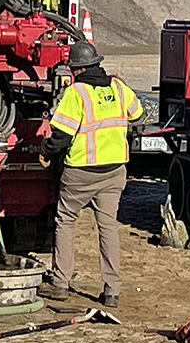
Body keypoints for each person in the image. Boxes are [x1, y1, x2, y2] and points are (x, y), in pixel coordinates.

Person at [42, 41, 140, 306]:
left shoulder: (77, 93)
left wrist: (46, 149)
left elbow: (61, 135)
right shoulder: (119, 88)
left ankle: (60, 283)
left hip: (81, 172)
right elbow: (138, 114)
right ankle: (112, 291)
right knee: (108, 227)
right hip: (115, 171)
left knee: (65, 221)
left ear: (79, 69)